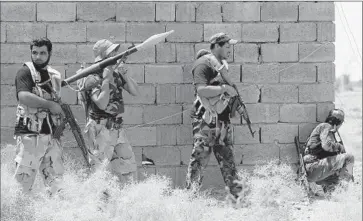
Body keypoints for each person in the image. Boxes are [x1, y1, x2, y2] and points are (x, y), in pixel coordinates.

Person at [185, 33, 243, 199]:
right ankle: (189, 202)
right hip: (206, 122)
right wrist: (224, 89)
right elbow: (201, 89)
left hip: (222, 123)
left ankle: (237, 201)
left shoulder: (220, 67)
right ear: (217, 45)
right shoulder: (202, 64)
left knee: (229, 164)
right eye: (227, 46)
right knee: (198, 163)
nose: (229, 49)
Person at [77, 39, 139, 184]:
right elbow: (102, 103)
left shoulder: (115, 73)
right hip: (100, 129)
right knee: (100, 174)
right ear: (103, 56)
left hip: (116, 128)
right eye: (112, 52)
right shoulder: (92, 76)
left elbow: (135, 91)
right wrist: (106, 79)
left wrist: (125, 75)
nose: (116, 55)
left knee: (128, 169)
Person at [14, 37, 64, 195]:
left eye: (42, 53)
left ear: (49, 54)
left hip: (50, 136)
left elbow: (57, 102)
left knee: (56, 183)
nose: (38, 56)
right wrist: (49, 105)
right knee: (23, 184)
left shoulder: (54, 75)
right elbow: (23, 96)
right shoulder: (25, 71)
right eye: (34, 52)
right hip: (31, 135)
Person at [304, 109, 355, 194]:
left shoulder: (329, 132)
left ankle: (334, 194)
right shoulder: (325, 126)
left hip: (317, 170)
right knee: (349, 158)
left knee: (336, 185)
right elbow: (326, 146)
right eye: (341, 122)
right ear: (338, 122)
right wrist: (338, 146)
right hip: (314, 166)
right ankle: (348, 185)